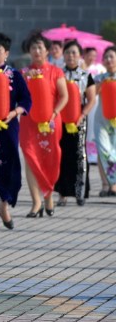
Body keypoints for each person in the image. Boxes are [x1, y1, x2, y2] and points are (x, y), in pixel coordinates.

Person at [0, 33, 32, 231]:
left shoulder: (14, 75)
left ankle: (3, 205)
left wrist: (14, 112)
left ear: (6, 53)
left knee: (9, 170)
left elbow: (26, 100)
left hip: (8, 128)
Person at [20, 32, 68, 217]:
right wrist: (25, 79)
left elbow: (64, 96)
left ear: (47, 51)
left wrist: (54, 113)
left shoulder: (56, 72)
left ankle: (48, 195)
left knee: (50, 158)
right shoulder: (24, 73)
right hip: (28, 122)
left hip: (50, 122)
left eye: (40, 47)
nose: (37, 51)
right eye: (33, 47)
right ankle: (36, 202)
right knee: (30, 158)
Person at [55, 40, 96, 206]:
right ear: (63, 56)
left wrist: (82, 115)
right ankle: (62, 194)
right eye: (68, 53)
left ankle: (80, 193)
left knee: (80, 155)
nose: (71, 56)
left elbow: (91, 99)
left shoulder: (86, 75)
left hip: (79, 119)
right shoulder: (58, 74)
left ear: (80, 55)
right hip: (61, 119)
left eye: (74, 52)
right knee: (62, 155)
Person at [92, 46, 116, 196]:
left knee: (114, 150)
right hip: (102, 120)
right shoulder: (99, 78)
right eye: (106, 57)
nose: (108, 60)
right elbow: (91, 94)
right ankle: (107, 183)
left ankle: (113, 184)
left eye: (111, 57)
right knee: (104, 150)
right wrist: (101, 84)